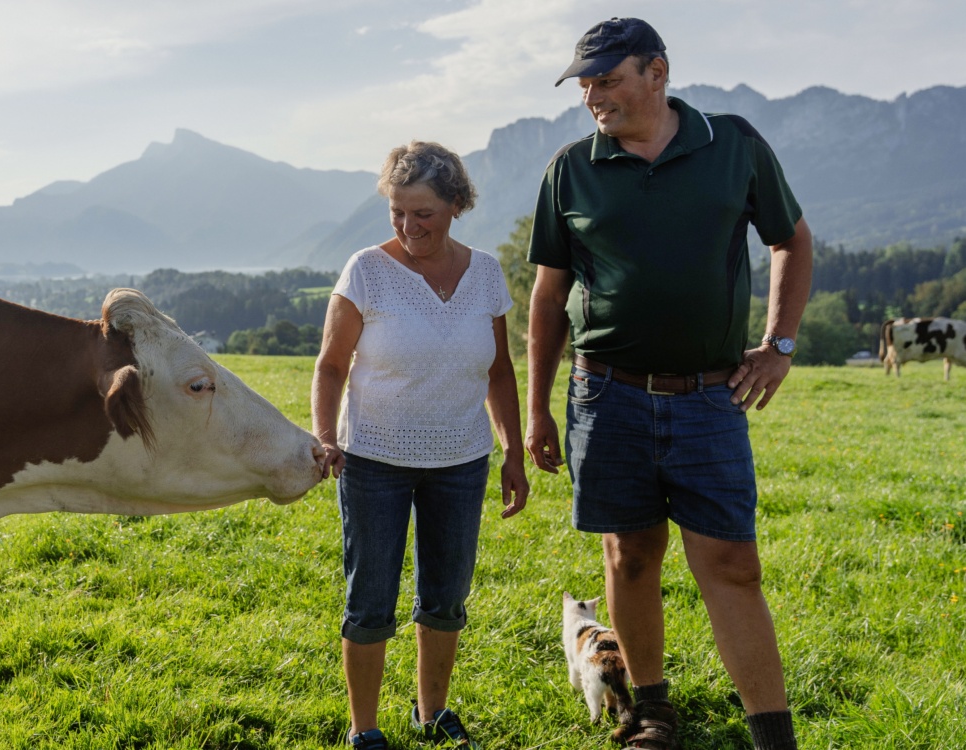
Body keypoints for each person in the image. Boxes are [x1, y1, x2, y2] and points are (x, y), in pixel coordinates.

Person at [525, 17, 812, 750]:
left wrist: (779, 344)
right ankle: (649, 714)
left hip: (710, 395)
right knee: (629, 555)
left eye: (607, 80)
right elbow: (548, 297)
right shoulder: (571, 168)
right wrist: (537, 410)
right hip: (603, 393)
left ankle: (772, 735)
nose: (593, 96)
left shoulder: (735, 145)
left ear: (657, 72)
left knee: (731, 564)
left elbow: (791, 240)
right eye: (585, 83)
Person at [313, 141, 530, 750]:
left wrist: (512, 451)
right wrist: (327, 439)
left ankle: (432, 713)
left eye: (424, 214)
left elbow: (499, 372)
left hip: (461, 462)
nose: (409, 228)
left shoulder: (485, 273)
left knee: (446, 598)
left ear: (457, 204)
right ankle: (364, 730)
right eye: (397, 213)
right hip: (374, 460)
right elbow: (331, 366)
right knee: (370, 599)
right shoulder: (366, 270)